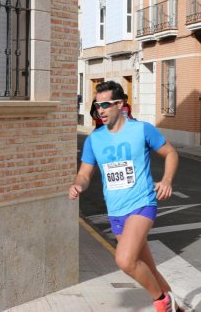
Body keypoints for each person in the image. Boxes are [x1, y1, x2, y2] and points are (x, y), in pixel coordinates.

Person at [69, 80, 183, 312]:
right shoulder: (94, 139)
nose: (100, 110)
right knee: (149, 269)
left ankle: (161, 302)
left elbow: (170, 153)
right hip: (116, 211)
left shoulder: (142, 130)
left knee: (124, 260)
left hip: (142, 203)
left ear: (120, 104)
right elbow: (84, 174)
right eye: (97, 105)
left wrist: (167, 180)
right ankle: (175, 307)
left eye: (106, 105)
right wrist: (77, 185)